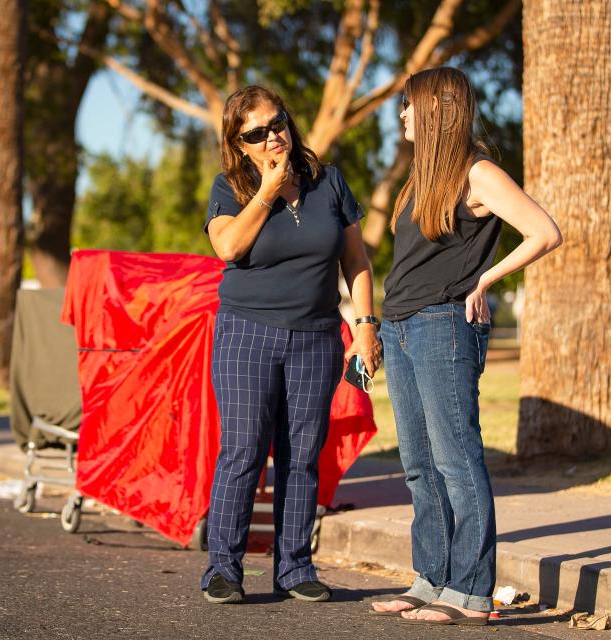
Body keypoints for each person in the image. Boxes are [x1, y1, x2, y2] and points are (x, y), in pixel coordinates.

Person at [370, 67, 562, 625]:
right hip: (401, 326)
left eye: (409, 106)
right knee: (418, 465)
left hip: (442, 325)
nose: (402, 115)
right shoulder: (419, 180)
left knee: (456, 459)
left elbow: (544, 231)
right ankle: (430, 579)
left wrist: (484, 281)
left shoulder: (477, 172)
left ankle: (473, 593)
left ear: (436, 110)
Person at [201, 85, 381, 605]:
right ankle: (224, 569)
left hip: (316, 337)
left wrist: (365, 325)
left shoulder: (330, 183)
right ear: (239, 145)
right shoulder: (227, 187)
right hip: (246, 335)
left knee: (302, 455)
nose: (271, 137)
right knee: (244, 450)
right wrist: (267, 189)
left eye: (276, 123)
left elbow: (357, 263)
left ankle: (295, 566)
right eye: (255, 133)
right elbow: (230, 247)